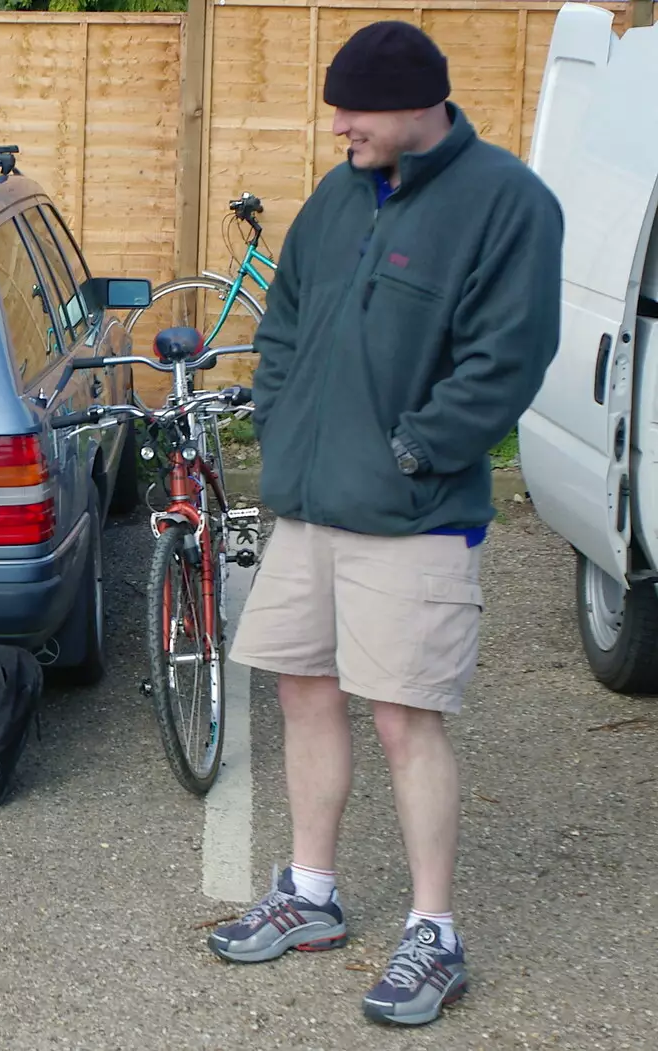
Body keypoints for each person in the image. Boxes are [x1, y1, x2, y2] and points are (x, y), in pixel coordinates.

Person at [205, 21, 562, 1027]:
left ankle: (432, 934)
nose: (337, 129)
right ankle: (309, 893)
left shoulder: (505, 204)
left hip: (412, 518)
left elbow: (507, 360)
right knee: (302, 690)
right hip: (309, 510)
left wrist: (409, 452)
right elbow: (281, 326)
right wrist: (280, 432)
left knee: (406, 715)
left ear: (415, 104)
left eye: (352, 110)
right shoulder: (335, 199)